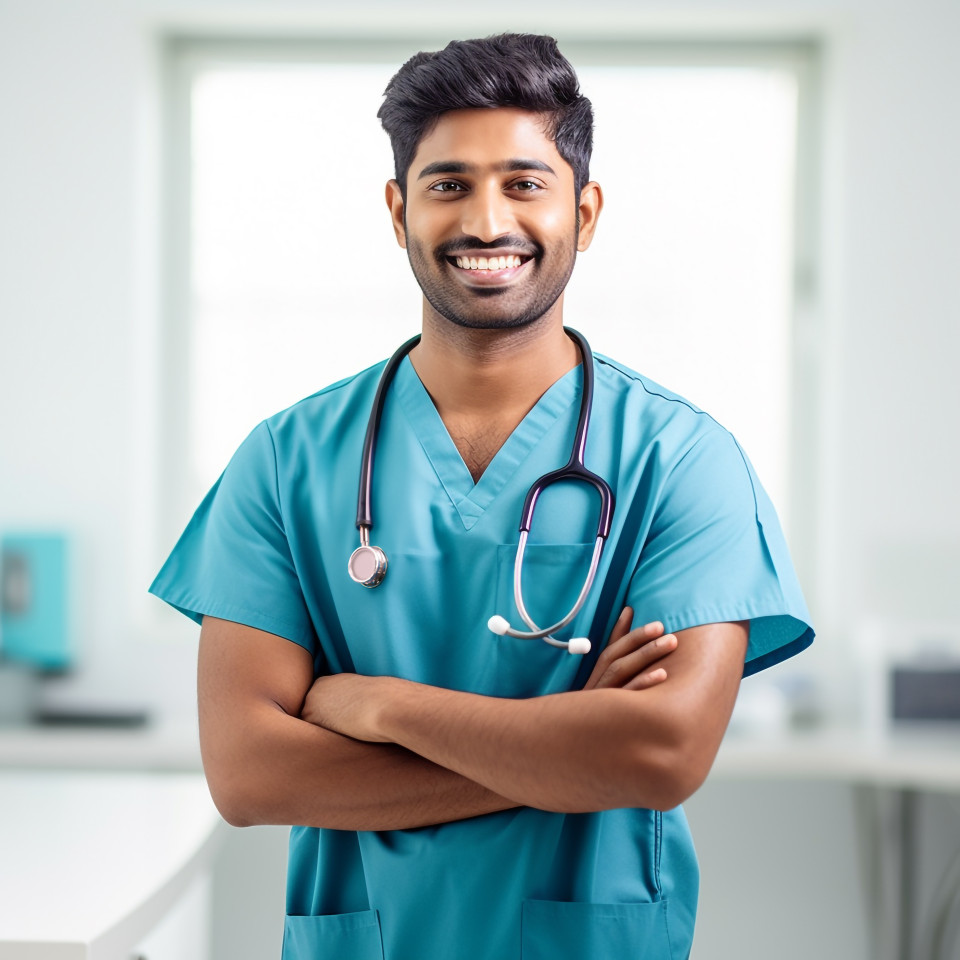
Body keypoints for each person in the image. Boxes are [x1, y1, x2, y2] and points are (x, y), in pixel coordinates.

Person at [150, 32, 814, 960]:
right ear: (399, 212)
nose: (487, 221)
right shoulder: (283, 462)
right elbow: (249, 774)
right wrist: (570, 751)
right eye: (449, 185)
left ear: (585, 211)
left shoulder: (681, 459)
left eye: (525, 183)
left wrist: (381, 706)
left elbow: (662, 754)